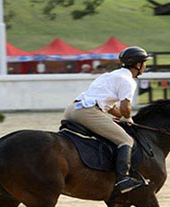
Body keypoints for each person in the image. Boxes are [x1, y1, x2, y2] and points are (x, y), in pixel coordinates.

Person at [64, 46, 152, 194]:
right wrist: (127, 117)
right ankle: (123, 179)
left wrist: (119, 116)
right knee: (126, 140)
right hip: (88, 112)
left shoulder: (108, 75)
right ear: (138, 65)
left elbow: (110, 107)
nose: (145, 66)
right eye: (144, 63)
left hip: (72, 110)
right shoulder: (128, 81)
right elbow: (125, 107)